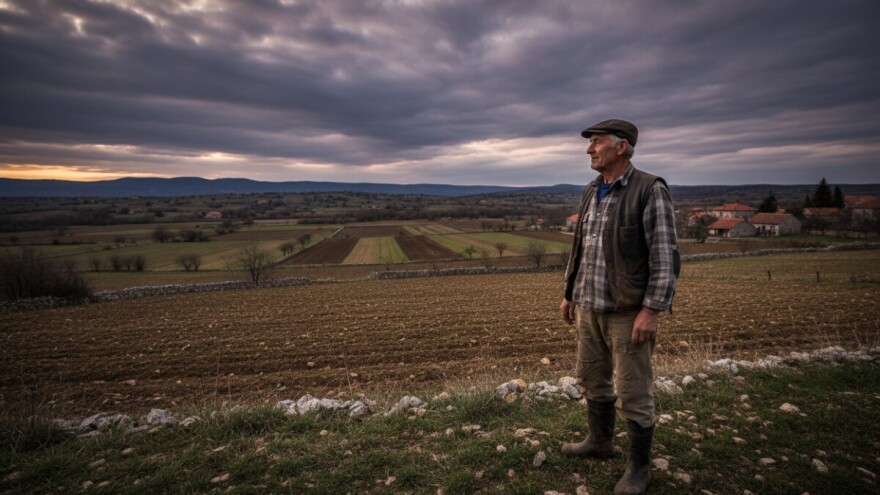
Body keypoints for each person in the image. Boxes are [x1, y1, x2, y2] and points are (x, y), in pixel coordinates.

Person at [559, 119, 680, 495]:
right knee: (592, 378)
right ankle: (599, 442)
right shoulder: (591, 190)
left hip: (628, 312)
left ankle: (638, 468)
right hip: (589, 307)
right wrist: (569, 292)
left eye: (596, 143)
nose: (589, 149)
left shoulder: (649, 190)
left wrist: (652, 309)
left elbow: (665, 256)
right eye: (590, 144)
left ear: (622, 147)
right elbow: (582, 248)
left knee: (633, 390)